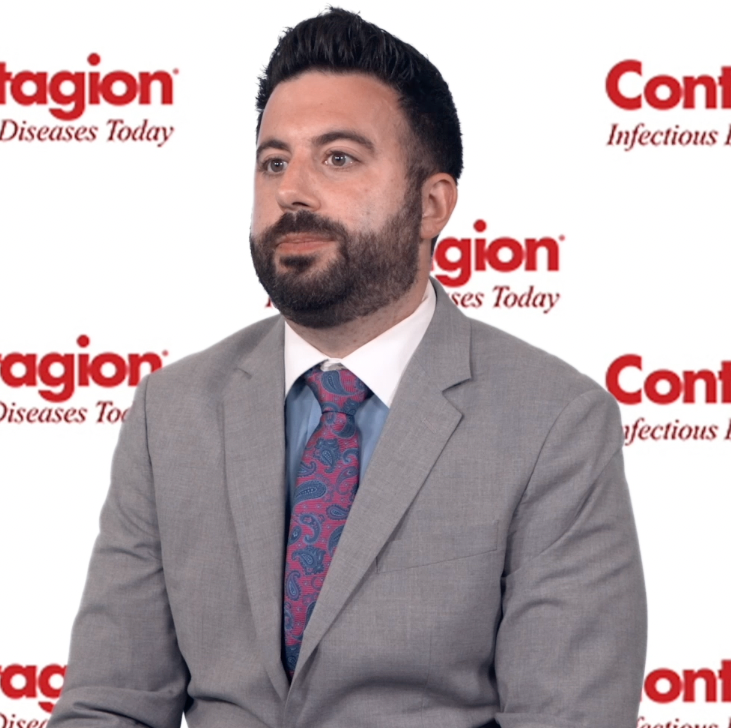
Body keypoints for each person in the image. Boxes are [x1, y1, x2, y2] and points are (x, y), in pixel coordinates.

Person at [50, 8, 646, 728]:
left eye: (337, 158)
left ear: (431, 204)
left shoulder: (553, 422)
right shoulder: (170, 412)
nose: (291, 191)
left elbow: (568, 716)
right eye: (274, 162)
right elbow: (109, 705)